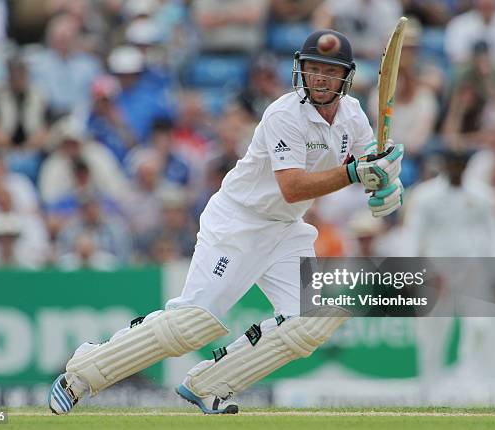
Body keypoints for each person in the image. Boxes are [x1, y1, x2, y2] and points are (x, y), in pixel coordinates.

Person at [48, 29, 404, 415]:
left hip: (286, 228)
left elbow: (373, 162)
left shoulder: (353, 115)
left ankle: (210, 385)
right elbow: (293, 186)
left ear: (344, 78)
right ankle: (82, 373)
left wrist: (388, 186)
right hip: (239, 221)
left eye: (328, 71)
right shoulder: (284, 114)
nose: (319, 78)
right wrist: (356, 174)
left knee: (308, 323)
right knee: (191, 324)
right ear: (300, 70)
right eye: (312, 68)